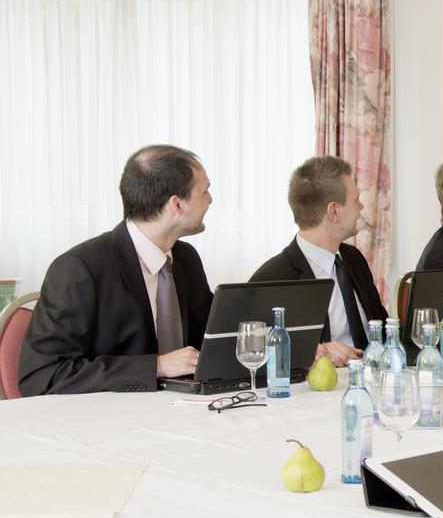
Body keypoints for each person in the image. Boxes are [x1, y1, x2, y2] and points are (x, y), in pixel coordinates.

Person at [19, 145, 214, 396]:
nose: (210, 200)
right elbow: (41, 376)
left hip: (188, 413)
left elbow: (207, 343)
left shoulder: (187, 259)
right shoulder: (79, 269)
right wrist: (156, 366)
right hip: (108, 424)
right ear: (177, 204)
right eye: (205, 190)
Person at [250, 156, 388, 367]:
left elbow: (382, 325)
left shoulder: (354, 259)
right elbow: (257, 353)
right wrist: (316, 352)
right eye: (356, 200)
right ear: (334, 211)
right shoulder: (271, 279)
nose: (361, 207)